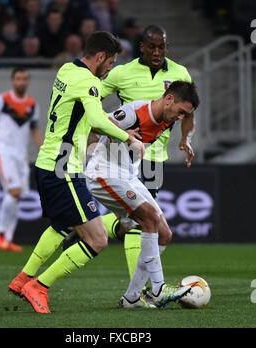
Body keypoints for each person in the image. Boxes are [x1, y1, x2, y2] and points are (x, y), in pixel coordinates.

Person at [8, 31, 144, 314]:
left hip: (49, 163)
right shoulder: (89, 81)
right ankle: (39, 286)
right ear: (100, 57)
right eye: (111, 62)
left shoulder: (67, 70)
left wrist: (115, 130)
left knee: (63, 226)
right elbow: (94, 117)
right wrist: (129, 138)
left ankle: (23, 278)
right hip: (64, 169)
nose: (111, 68)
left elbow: (84, 115)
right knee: (97, 239)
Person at [85, 81, 200, 308]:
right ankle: (158, 289)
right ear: (168, 99)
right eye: (180, 112)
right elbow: (94, 125)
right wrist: (121, 133)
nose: (180, 118)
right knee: (149, 218)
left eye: (184, 115)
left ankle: (131, 298)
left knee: (164, 234)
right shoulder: (132, 112)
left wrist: (185, 140)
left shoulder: (167, 120)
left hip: (127, 176)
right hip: (104, 173)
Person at [100, 24, 195, 281]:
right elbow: (92, 97)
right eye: (151, 46)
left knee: (138, 222)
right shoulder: (121, 73)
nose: (157, 52)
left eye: (162, 47)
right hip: (125, 155)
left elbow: (189, 112)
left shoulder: (180, 73)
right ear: (141, 47)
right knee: (143, 223)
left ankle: (99, 226)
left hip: (155, 160)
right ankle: (139, 290)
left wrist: (186, 138)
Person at [0, 68, 43, 252]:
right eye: (18, 78)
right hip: (3, 152)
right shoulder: (2, 100)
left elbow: (35, 130)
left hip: (21, 156)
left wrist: (45, 152)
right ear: (13, 81)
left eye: (24, 79)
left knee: (19, 196)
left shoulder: (31, 104)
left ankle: (8, 239)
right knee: (14, 191)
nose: (21, 82)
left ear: (27, 81)